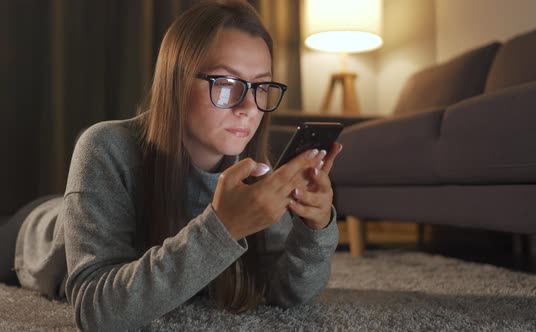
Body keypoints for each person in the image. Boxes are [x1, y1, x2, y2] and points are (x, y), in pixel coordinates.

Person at [0, 0, 342, 330]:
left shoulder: (254, 172)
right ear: (176, 81)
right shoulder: (105, 146)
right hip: (36, 234)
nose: (249, 107)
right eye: (225, 83)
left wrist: (315, 229)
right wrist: (223, 227)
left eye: (261, 87)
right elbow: (97, 313)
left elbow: (286, 294)